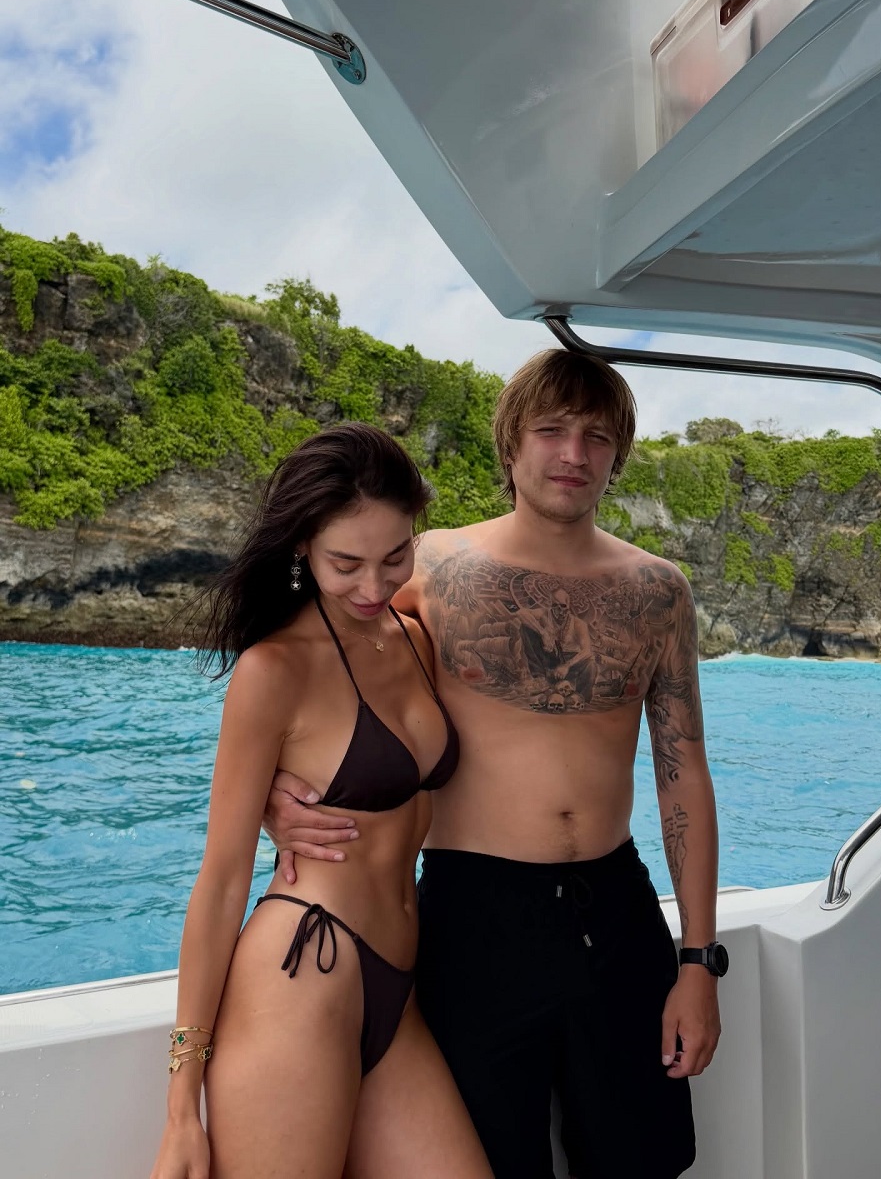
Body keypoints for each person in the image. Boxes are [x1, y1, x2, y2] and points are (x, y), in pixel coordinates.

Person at [264, 349, 724, 1179]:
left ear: (618, 454)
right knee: (493, 1159)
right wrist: (273, 793)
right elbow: (309, 677)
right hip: (474, 912)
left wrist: (697, 960)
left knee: (641, 1160)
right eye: (552, 430)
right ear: (511, 443)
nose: (574, 455)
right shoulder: (428, 567)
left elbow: (682, 769)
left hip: (617, 910)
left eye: (597, 437)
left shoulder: (660, 591)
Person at [149, 424, 492, 1179]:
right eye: (346, 564)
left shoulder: (412, 636)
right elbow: (222, 881)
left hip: (398, 990)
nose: (373, 587)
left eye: (394, 557)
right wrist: (181, 1108)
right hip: (301, 977)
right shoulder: (274, 670)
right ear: (303, 546)